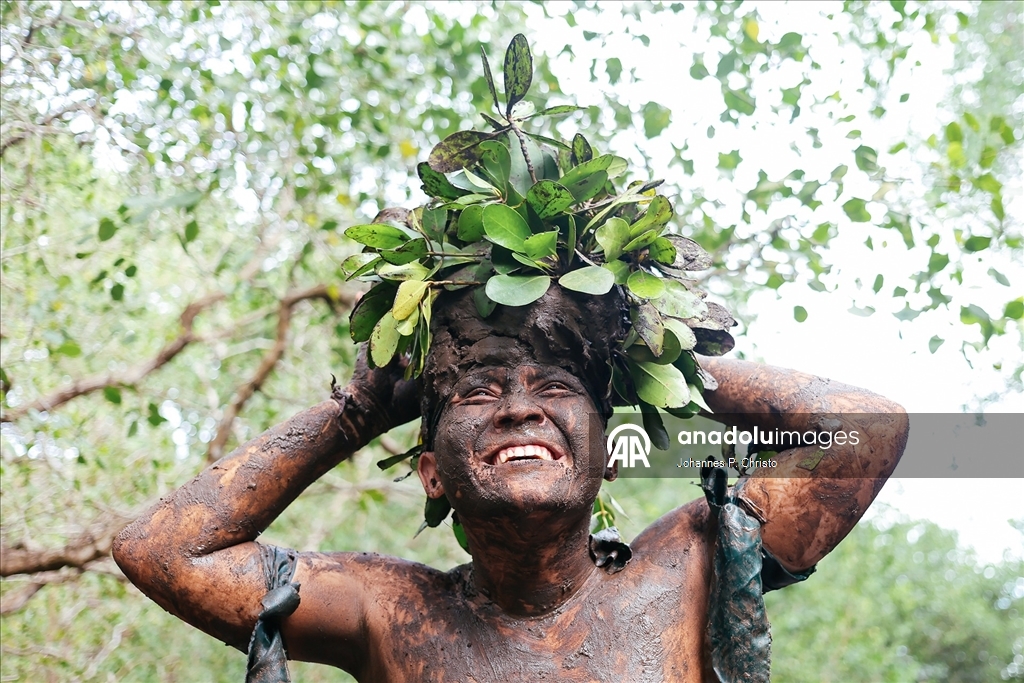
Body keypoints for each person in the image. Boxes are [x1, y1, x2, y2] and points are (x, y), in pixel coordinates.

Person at [113, 286, 909, 682]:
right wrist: (355, 409)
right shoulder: (387, 611)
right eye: (480, 391)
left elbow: (869, 430)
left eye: (556, 387)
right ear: (431, 471)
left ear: (604, 457)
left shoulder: (687, 563)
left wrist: (660, 358)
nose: (521, 407)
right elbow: (159, 549)